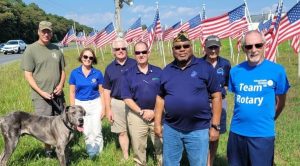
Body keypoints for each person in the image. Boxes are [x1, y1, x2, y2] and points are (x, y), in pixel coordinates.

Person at [154, 31, 222, 166]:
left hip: (198, 129)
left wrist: (215, 126)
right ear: (173, 50)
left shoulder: (205, 68)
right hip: (171, 129)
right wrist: (157, 124)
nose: (182, 50)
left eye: (185, 46)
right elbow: (160, 98)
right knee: (170, 163)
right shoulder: (167, 70)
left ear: (191, 47)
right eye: (177, 47)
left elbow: (216, 96)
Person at [227, 30, 290, 165]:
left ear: (264, 46)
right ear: (243, 48)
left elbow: (281, 102)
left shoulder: (277, 71)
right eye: (249, 46)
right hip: (237, 132)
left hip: (262, 134)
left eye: (258, 45)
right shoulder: (235, 71)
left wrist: (270, 117)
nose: (253, 50)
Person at [21, 20, 66, 157]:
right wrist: (41, 92)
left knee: (62, 121)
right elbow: (28, 74)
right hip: (41, 97)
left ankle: (62, 147)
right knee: (45, 125)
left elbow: (63, 70)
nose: (46, 34)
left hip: (58, 95)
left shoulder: (56, 49)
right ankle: (48, 151)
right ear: (38, 32)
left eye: (49, 31)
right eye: (43, 31)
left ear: (52, 33)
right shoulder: (31, 49)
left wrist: (60, 85)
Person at [121, 41, 163, 166]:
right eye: (138, 52)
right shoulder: (127, 74)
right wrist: (141, 112)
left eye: (143, 52)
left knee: (160, 142)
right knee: (138, 146)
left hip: (157, 113)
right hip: (136, 115)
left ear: (148, 53)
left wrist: (155, 112)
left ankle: (162, 162)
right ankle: (140, 163)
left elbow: (164, 93)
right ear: (134, 55)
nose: (141, 55)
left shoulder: (158, 72)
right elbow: (126, 97)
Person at [69, 48, 105, 158]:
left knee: (97, 130)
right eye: (85, 57)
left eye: (90, 57)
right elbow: (72, 92)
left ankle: (99, 153)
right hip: (80, 105)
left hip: (95, 103)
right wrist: (73, 109)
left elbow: (102, 92)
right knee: (87, 131)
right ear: (81, 57)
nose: (87, 59)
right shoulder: (75, 73)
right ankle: (91, 153)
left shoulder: (97, 73)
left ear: (93, 59)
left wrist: (103, 108)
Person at [103, 38, 136, 160]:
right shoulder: (109, 68)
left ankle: (138, 154)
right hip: (117, 103)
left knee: (136, 131)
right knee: (122, 132)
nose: (120, 51)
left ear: (127, 50)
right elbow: (106, 90)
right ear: (113, 51)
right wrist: (108, 109)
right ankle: (126, 156)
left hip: (134, 102)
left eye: (123, 48)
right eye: (117, 49)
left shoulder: (135, 64)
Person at [201, 35, 231, 166]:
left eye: (215, 47)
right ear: (205, 48)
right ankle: (201, 160)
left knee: (215, 133)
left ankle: (210, 162)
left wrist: (219, 95)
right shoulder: (199, 63)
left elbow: (227, 83)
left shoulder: (225, 64)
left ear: (219, 48)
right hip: (202, 103)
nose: (213, 50)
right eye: (210, 47)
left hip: (220, 102)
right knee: (202, 133)